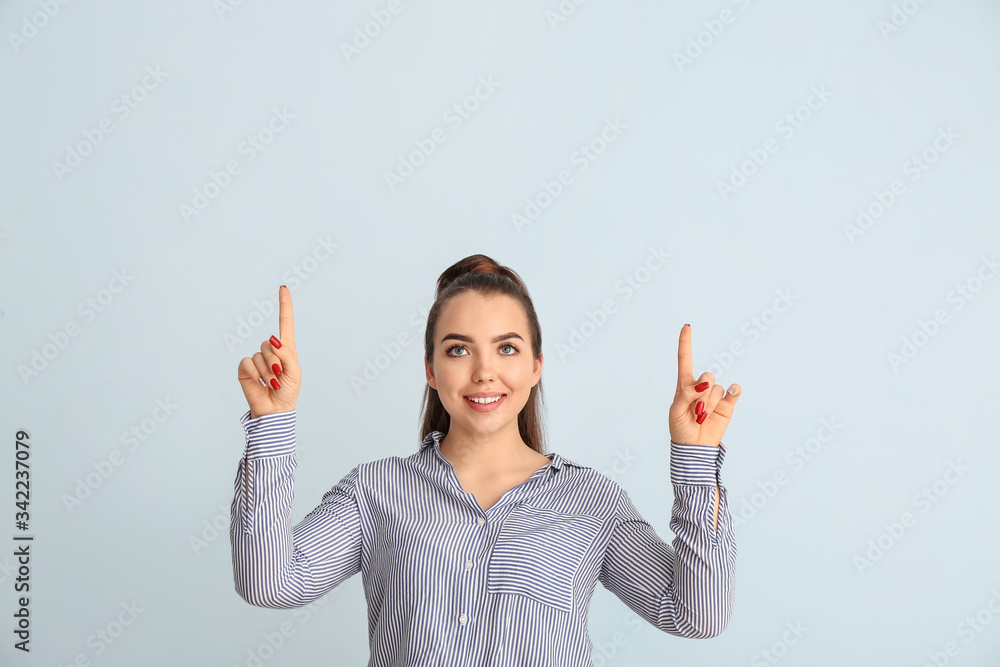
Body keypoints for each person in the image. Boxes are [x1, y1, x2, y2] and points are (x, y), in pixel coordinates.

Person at [230, 254, 741, 666]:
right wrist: (272, 423)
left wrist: (695, 461)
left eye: (507, 349)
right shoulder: (376, 491)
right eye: (458, 351)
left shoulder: (592, 502)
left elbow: (697, 614)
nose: (483, 373)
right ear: (430, 369)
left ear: (536, 366)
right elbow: (268, 581)